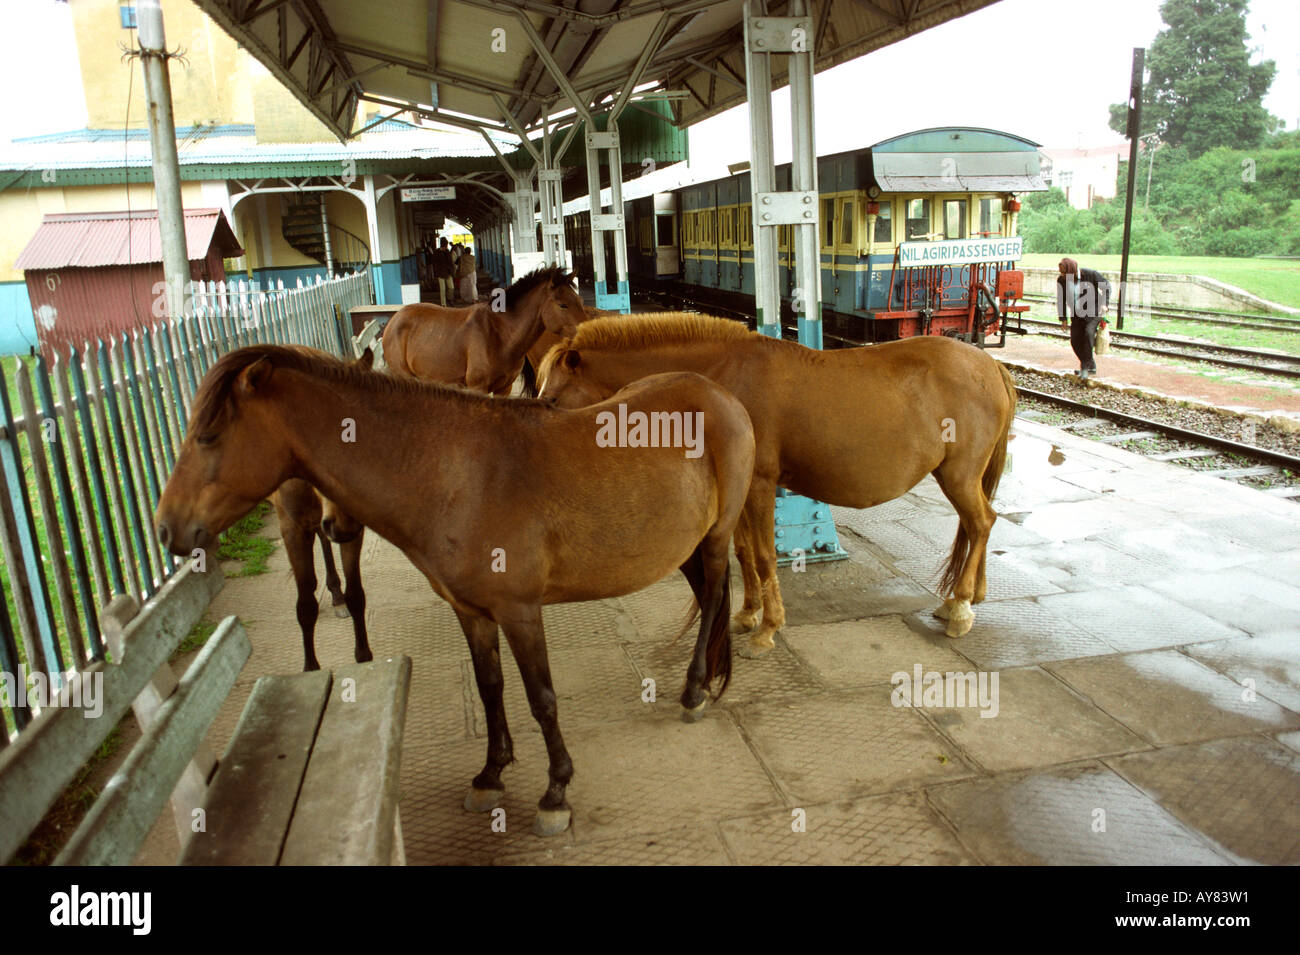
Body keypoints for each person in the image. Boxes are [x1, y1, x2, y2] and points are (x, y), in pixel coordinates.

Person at [1056, 257, 1111, 381]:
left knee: (1088, 333)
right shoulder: (1062, 280)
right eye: (1061, 272)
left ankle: (1085, 368)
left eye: (1065, 272)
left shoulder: (1090, 275)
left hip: (1094, 311)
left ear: (1073, 271)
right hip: (1077, 313)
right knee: (1075, 340)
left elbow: (1106, 287)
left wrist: (1105, 304)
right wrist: (1063, 318)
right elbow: (1061, 299)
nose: (1062, 275)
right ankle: (1089, 364)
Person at [431, 237, 454, 306]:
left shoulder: (447, 252)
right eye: (445, 245)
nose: (446, 247)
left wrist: (452, 271)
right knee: (442, 289)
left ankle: (449, 298)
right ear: (442, 245)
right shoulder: (437, 252)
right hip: (440, 273)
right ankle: (443, 304)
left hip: (448, 273)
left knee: (451, 287)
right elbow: (434, 263)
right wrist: (436, 272)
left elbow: (451, 262)